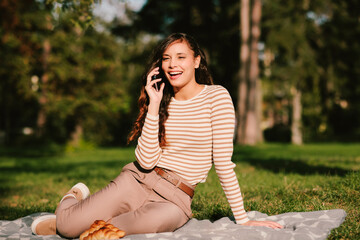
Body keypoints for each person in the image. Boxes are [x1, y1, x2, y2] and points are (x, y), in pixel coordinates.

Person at [31, 32, 283, 238]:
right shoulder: (161, 100)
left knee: (108, 231)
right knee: (66, 227)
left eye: (181, 57)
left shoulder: (216, 96)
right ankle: (73, 200)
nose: (173, 64)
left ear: (196, 61)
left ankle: (79, 223)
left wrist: (243, 219)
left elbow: (223, 163)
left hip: (175, 200)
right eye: (166, 58)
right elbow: (147, 160)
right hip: (138, 180)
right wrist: (153, 104)